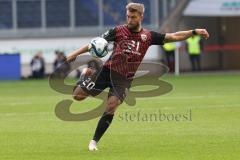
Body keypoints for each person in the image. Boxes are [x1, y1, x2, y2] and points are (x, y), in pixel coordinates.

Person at [66, 2, 209, 151]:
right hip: (106, 72)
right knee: (77, 96)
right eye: (128, 17)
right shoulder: (118, 31)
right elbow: (94, 44)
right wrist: (74, 54)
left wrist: (194, 31)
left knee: (111, 106)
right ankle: (85, 74)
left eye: (133, 17)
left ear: (141, 16)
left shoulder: (148, 36)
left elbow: (173, 36)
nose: (129, 20)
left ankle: (94, 142)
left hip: (123, 80)